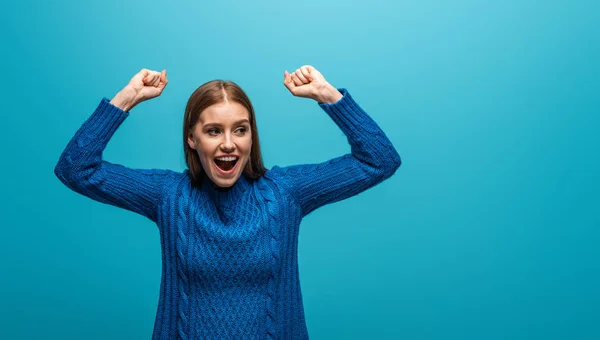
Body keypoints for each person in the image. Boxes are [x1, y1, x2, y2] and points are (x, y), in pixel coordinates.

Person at [54, 65, 401, 340]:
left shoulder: (285, 192)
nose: (228, 144)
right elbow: (75, 169)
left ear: (252, 135)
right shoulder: (169, 196)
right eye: (213, 131)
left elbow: (379, 160)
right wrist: (126, 98)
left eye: (240, 129)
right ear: (192, 138)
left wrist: (327, 95)